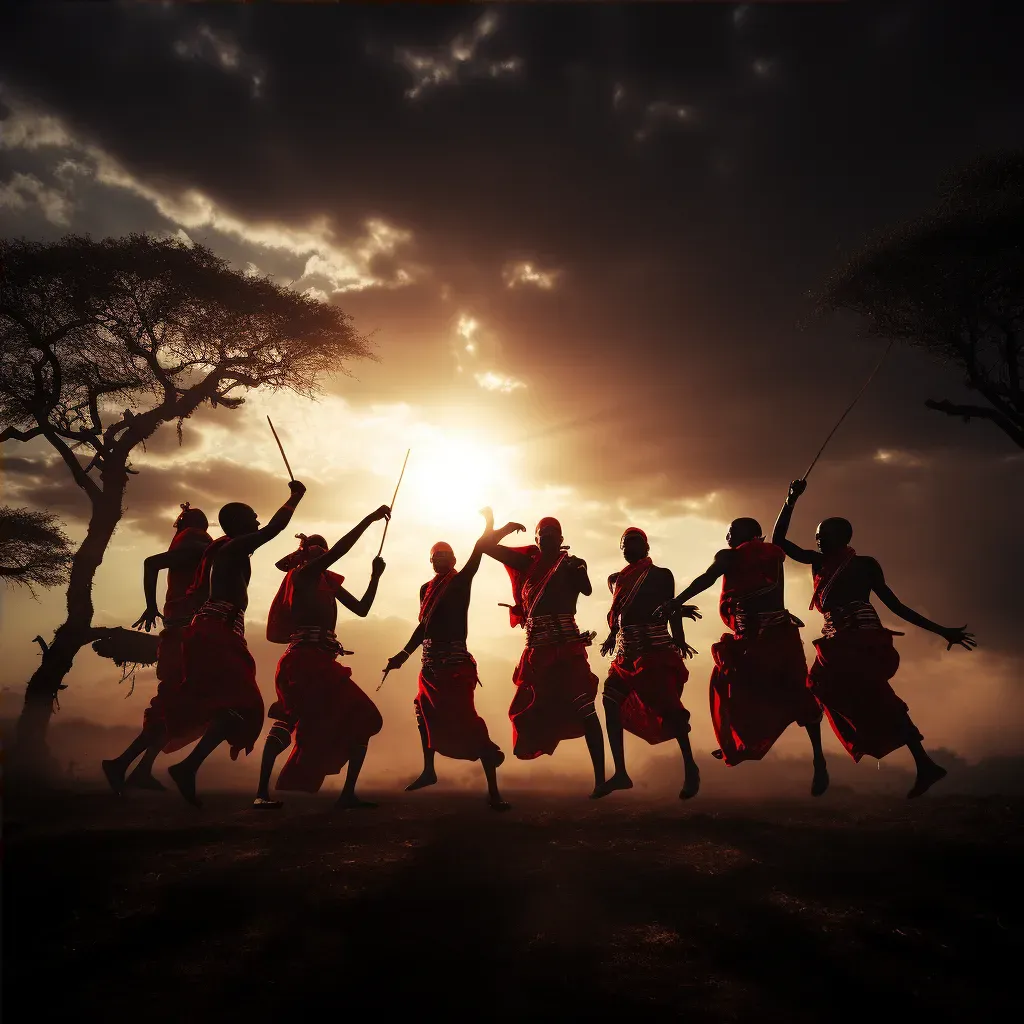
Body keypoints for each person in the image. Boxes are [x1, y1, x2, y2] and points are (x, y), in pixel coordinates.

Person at [772, 479, 976, 797]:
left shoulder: (864, 565)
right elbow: (779, 541)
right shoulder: (818, 563)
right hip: (836, 641)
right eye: (816, 537)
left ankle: (923, 764)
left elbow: (896, 606)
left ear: (842, 538)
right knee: (823, 687)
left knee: (875, 695)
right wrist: (790, 499)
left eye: (824, 536)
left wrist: (941, 630)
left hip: (862, 639)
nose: (818, 540)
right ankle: (913, 761)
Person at [656, 516, 829, 796]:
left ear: (743, 535)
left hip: (756, 638)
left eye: (730, 531)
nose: (727, 536)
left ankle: (734, 741)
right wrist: (789, 502)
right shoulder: (774, 555)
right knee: (798, 693)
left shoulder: (729, 556)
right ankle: (817, 759)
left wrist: (678, 600)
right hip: (781, 633)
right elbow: (775, 581)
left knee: (728, 684)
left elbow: (707, 578)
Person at [165, 480, 306, 807]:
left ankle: (188, 768)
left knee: (237, 707)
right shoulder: (231, 548)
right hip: (216, 631)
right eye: (253, 518)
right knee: (244, 706)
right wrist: (294, 498)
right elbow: (274, 528)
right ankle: (187, 768)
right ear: (241, 525)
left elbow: (267, 534)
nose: (258, 523)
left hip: (217, 631)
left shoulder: (228, 549)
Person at [251, 507, 391, 810]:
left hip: (322, 664)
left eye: (323, 551)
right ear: (305, 555)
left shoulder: (327, 583)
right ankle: (261, 793)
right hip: (301, 663)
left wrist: (374, 576)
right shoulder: (302, 575)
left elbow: (363, 608)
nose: (323, 554)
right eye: (318, 550)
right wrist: (368, 518)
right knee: (288, 720)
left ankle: (347, 794)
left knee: (363, 717)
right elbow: (340, 550)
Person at [384, 510, 518, 811]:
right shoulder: (425, 590)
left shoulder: (460, 582)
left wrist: (493, 527)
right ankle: (429, 770)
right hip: (429, 664)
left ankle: (493, 792)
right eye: (435, 555)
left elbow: (479, 550)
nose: (440, 558)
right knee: (423, 712)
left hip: (455, 664)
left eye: (445, 554)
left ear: (453, 559)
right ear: (430, 561)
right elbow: (423, 627)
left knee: (469, 722)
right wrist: (402, 656)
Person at [482, 516, 606, 797]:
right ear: (535, 540)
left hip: (568, 648)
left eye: (553, 532)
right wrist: (497, 526)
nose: (548, 536)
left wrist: (581, 566)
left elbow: (586, 589)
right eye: (542, 533)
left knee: (586, 708)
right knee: (529, 711)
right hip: (538, 652)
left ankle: (601, 779)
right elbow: (485, 547)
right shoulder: (527, 565)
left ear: (562, 539)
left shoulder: (570, 564)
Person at [101, 503, 211, 795]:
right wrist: (150, 605)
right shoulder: (197, 544)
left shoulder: (191, 545)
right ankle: (122, 764)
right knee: (175, 704)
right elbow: (151, 562)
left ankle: (139, 768)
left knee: (177, 707)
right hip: (183, 634)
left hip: (186, 631)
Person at [596, 527, 701, 800]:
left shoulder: (661, 575)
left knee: (671, 711)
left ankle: (690, 767)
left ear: (646, 548)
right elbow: (621, 613)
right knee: (609, 702)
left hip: (655, 652)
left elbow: (671, 606)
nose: (628, 548)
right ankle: (621, 772)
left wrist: (679, 638)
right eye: (624, 545)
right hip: (625, 654)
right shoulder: (617, 579)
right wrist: (611, 636)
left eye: (634, 543)